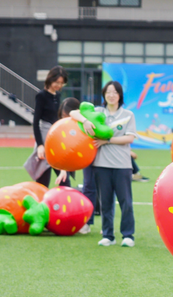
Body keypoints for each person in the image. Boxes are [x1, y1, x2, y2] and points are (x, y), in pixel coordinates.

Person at [70, 81, 136, 247]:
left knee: (126, 202)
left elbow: (129, 138)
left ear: (120, 95)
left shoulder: (128, 114)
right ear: (104, 95)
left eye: (114, 92)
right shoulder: (98, 112)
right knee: (105, 203)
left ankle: (128, 235)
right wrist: (85, 121)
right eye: (108, 92)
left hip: (122, 165)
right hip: (101, 165)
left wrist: (108, 140)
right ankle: (108, 235)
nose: (111, 95)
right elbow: (73, 112)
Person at [54, 97, 96, 235]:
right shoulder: (65, 129)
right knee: (88, 186)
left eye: (66, 115)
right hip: (86, 158)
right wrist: (63, 169)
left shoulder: (86, 120)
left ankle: (107, 226)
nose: (65, 119)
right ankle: (87, 223)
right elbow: (66, 150)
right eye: (62, 116)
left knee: (105, 189)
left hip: (99, 154)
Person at [28, 65, 69, 188]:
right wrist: (40, 145)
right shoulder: (41, 96)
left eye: (61, 83)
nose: (59, 85)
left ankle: (63, 201)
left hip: (56, 139)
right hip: (45, 138)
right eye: (57, 82)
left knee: (65, 181)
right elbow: (36, 122)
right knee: (42, 183)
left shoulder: (58, 95)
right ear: (50, 80)